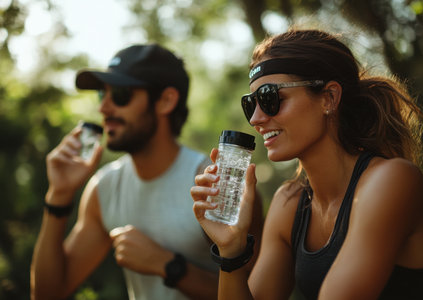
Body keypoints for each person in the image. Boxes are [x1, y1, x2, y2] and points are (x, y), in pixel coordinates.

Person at [191, 28, 423, 300]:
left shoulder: (391, 181)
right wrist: (231, 250)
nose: (255, 118)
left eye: (269, 98)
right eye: (250, 104)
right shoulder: (289, 203)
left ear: (329, 98)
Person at [30, 43, 263, 300]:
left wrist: (170, 266)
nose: (103, 108)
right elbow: (47, 294)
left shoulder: (216, 186)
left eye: (120, 94)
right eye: (101, 94)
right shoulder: (104, 187)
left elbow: (257, 295)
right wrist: (58, 195)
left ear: (166, 101)